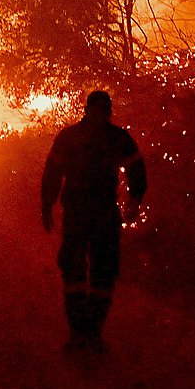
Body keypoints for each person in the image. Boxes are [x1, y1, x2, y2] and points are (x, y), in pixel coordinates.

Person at [41, 90, 147, 352]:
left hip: (96, 213)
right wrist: (46, 203)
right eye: (97, 110)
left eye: (103, 111)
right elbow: (53, 172)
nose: (99, 115)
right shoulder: (111, 137)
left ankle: (92, 332)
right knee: (78, 270)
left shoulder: (87, 137)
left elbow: (136, 169)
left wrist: (135, 198)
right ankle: (80, 332)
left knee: (102, 271)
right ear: (88, 111)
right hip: (86, 213)